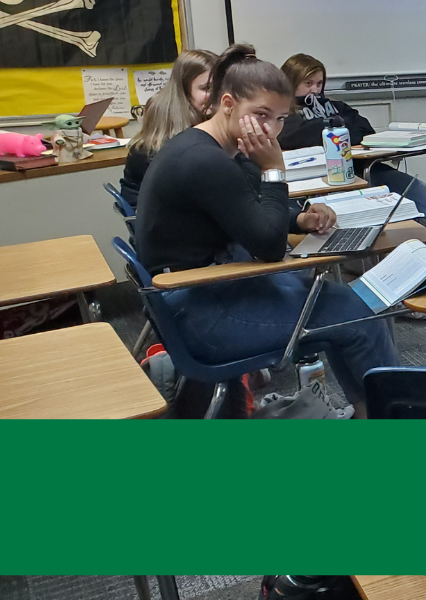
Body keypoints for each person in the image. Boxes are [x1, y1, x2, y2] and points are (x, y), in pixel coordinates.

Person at [135, 44, 398, 416]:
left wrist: (299, 218)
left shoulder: (208, 145)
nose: (270, 130)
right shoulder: (204, 161)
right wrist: (274, 168)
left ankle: (371, 410)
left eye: (278, 119)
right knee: (357, 314)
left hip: (195, 295)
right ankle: (389, 416)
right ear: (227, 103)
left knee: (340, 303)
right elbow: (270, 246)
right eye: (260, 114)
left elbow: (244, 208)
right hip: (200, 316)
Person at [275, 54, 426, 244]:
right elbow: (293, 137)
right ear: (291, 83)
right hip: (324, 185)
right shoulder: (282, 116)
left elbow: (364, 130)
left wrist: (333, 130)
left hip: (367, 170)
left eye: (319, 83)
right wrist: (335, 129)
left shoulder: (336, 106)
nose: (315, 90)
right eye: (308, 83)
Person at [120, 49, 218, 208]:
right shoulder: (168, 126)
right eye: (207, 88)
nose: (216, 96)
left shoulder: (204, 114)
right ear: (184, 89)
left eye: (220, 88)